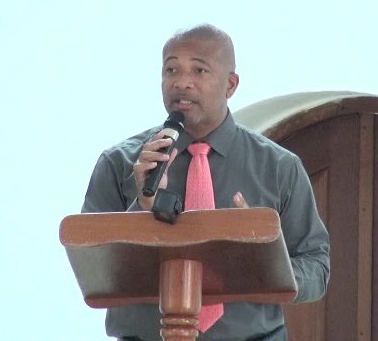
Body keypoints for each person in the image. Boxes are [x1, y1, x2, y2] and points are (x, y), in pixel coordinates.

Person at [81, 24, 330, 341]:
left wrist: (265, 264)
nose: (181, 83)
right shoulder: (119, 164)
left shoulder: (280, 167)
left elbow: (317, 267)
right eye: (171, 69)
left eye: (199, 70)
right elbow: (94, 272)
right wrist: (141, 209)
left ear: (231, 84)